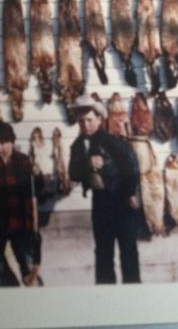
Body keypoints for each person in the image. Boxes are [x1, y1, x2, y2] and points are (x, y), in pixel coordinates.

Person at [68, 94, 141, 284]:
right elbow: (73, 173)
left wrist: (130, 192)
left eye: (89, 120)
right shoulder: (77, 146)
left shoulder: (113, 142)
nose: (85, 125)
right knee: (103, 254)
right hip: (100, 205)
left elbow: (132, 167)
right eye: (81, 121)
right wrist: (87, 165)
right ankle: (106, 295)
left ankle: (135, 295)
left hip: (122, 203)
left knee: (129, 254)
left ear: (100, 119)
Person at [0, 121, 44, 287]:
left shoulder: (24, 162)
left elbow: (38, 190)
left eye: (3, 142)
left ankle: (34, 292)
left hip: (21, 223)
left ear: (12, 142)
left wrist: (38, 175)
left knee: (28, 264)